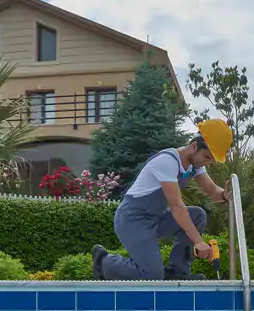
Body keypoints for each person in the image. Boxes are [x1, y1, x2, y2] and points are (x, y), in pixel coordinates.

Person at [92, 118, 233, 280]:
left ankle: (178, 273)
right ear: (194, 146)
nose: (208, 163)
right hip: (133, 220)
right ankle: (104, 261)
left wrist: (224, 195)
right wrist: (199, 242)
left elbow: (212, 191)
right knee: (151, 276)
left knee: (198, 215)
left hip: (156, 219)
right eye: (207, 157)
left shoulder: (194, 166)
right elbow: (177, 207)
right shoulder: (167, 161)